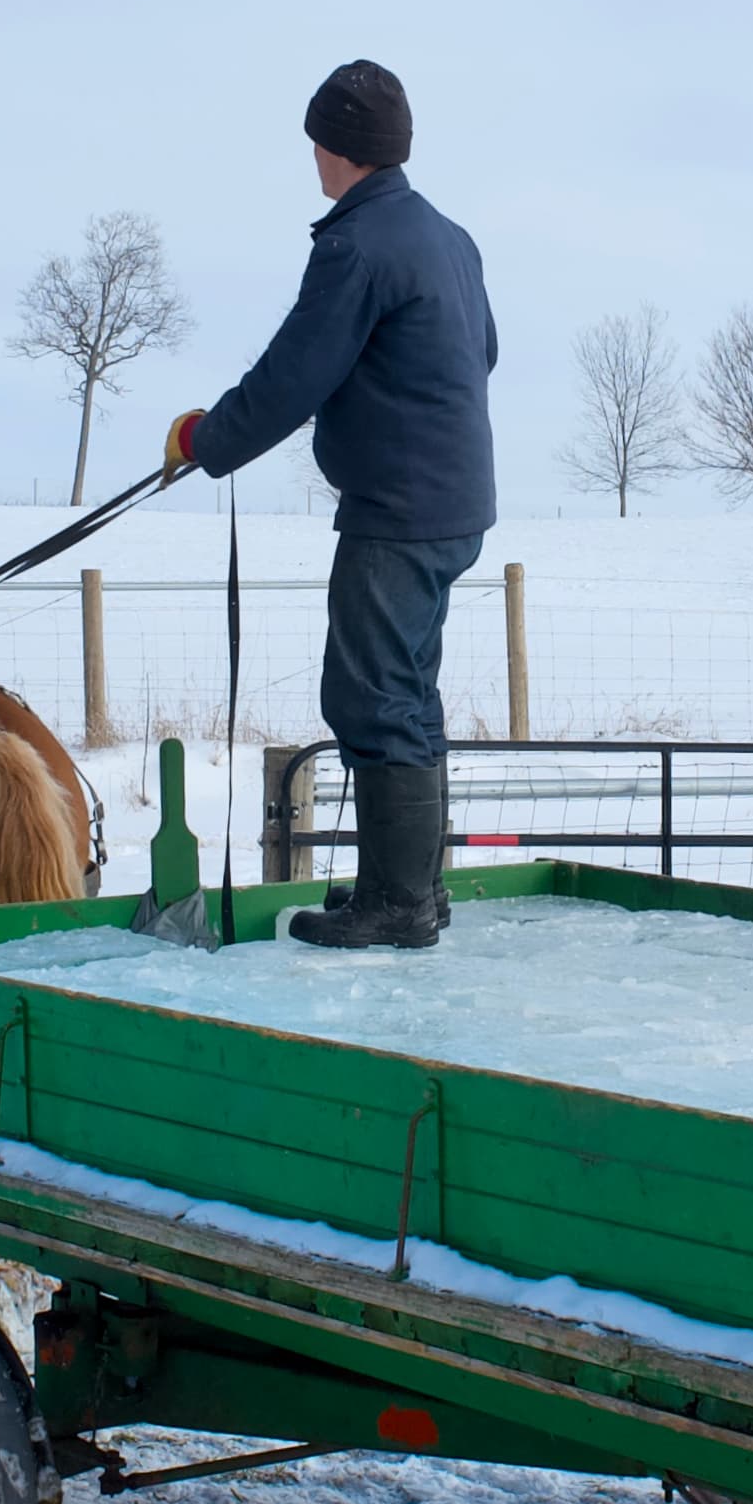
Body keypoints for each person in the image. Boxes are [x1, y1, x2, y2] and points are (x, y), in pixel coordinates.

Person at [163, 59, 496, 950]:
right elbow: (481, 354)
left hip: (397, 507)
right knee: (409, 694)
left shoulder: (357, 245)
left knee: (369, 696)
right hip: (456, 504)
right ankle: (416, 891)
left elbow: (291, 377)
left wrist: (206, 443)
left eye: (316, 140)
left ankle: (397, 906)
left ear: (335, 146)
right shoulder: (447, 238)